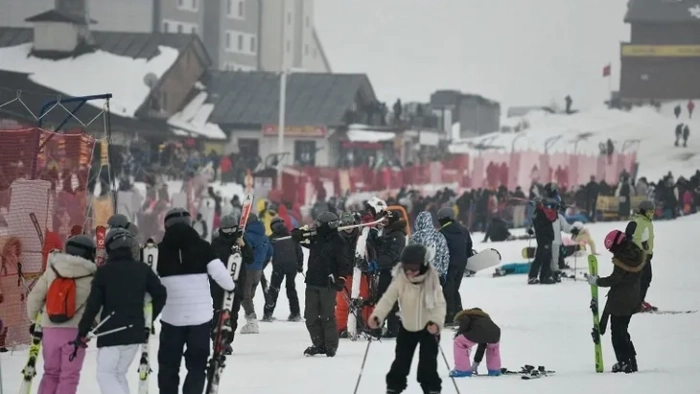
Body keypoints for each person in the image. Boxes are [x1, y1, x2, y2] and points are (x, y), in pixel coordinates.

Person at [75, 229, 167, 394]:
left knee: (105, 375)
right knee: (118, 374)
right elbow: (160, 294)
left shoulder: (103, 272)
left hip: (111, 332)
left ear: (109, 247)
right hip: (135, 332)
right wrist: (148, 319)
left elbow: (93, 305)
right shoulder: (142, 268)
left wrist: (82, 331)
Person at [156, 208, 234, 394]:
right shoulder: (204, 247)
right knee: (197, 364)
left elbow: (149, 281)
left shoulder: (158, 251)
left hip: (171, 317)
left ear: (166, 226)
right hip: (200, 318)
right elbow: (222, 276)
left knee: (169, 364)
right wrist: (231, 287)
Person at [368, 244, 446, 394]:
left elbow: (439, 304)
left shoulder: (431, 280)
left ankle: (431, 389)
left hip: (428, 327)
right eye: (406, 267)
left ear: (423, 265)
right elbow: (387, 299)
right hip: (407, 326)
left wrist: (436, 323)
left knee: (428, 364)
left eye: (414, 267)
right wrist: (377, 316)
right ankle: (393, 388)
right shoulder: (400, 279)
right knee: (401, 362)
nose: (409, 271)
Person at [26, 235, 97, 394]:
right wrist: (95, 325)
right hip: (75, 333)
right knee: (69, 376)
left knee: (50, 373)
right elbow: (96, 306)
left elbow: (35, 298)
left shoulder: (52, 270)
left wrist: (35, 320)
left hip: (49, 329)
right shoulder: (92, 276)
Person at [587, 228, 646, 373]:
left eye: (612, 249)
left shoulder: (622, 258)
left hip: (620, 301)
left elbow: (615, 279)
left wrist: (597, 281)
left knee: (617, 333)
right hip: (633, 298)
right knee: (623, 331)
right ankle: (631, 361)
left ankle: (624, 362)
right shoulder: (635, 252)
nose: (612, 252)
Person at [293, 211, 351, 357]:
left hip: (328, 283)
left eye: (319, 224)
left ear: (327, 225)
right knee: (310, 316)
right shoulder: (316, 237)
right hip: (312, 281)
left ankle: (330, 346)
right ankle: (319, 344)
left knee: (327, 316)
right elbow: (303, 238)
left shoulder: (338, 241)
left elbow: (343, 263)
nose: (316, 226)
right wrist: (297, 235)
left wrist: (341, 278)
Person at [210, 213, 254, 355]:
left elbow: (250, 259)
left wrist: (244, 246)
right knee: (219, 312)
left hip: (237, 284)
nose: (229, 233)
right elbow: (212, 262)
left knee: (233, 314)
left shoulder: (241, 240)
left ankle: (227, 341)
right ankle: (217, 339)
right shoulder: (216, 243)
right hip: (219, 285)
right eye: (227, 229)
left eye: (232, 229)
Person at [367, 210, 407, 337]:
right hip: (385, 270)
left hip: (393, 272)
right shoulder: (387, 232)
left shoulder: (398, 234)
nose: (383, 222)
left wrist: (377, 263)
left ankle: (392, 329)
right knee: (382, 299)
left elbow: (392, 254)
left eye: (386, 219)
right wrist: (373, 239)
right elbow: (382, 247)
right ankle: (382, 327)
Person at [437, 207, 473, 326]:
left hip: (448, 266)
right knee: (454, 289)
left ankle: (450, 317)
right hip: (461, 264)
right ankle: (459, 314)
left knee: (448, 291)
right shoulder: (464, 229)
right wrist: (468, 257)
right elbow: (469, 245)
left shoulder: (442, 233)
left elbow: (439, 251)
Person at [262, 217, 303, 322]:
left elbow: (267, 254)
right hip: (292, 266)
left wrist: (261, 267)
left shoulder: (272, 238)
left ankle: (268, 313)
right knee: (291, 289)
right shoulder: (291, 236)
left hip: (278, 266)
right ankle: (295, 313)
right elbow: (299, 251)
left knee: (273, 289)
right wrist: (300, 265)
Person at [239, 213, 273, 334]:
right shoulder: (264, 237)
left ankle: (252, 321)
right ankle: (250, 320)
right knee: (249, 295)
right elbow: (270, 252)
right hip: (258, 270)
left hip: (248, 269)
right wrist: (261, 265)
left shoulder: (248, 236)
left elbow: (244, 251)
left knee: (244, 295)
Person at [449, 308, 502, 377]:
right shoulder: (485, 319)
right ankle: (494, 370)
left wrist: (459, 333)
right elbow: (482, 344)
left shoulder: (467, 315)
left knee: (459, 342)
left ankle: (462, 370)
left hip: (479, 332)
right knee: (493, 349)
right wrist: (476, 363)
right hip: (495, 332)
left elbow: (465, 322)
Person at [335, 212, 362, 337]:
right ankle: (340, 327)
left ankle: (361, 325)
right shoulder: (337, 238)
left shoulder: (360, 236)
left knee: (361, 301)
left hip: (358, 274)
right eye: (345, 224)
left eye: (350, 223)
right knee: (342, 303)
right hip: (343, 274)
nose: (348, 226)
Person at [626, 200, 655, 312]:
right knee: (643, 279)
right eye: (650, 211)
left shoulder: (645, 221)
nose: (652, 213)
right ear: (644, 211)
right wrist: (643, 253)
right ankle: (636, 303)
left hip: (645, 255)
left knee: (645, 279)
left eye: (653, 211)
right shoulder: (640, 222)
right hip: (640, 256)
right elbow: (636, 239)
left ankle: (639, 301)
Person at [408, 211, 449, 283]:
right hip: (436, 274)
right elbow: (445, 255)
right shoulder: (439, 236)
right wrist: (443, 272)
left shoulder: (415, 237)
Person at [526, 196, 559, 285]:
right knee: (540, 257)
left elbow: (553, 217)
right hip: (544, 238)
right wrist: (554, 208)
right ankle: (533, 276)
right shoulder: (540, 212)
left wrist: (554, 208)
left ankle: (544, 276)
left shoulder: (538, 212)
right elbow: (551, 218)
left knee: (546, 258)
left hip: (545, 237)